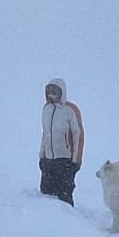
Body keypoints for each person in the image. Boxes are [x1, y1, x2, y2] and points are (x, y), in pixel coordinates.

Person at [38, 77, 84, 205]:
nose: (51, 95)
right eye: (49, 92)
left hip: (65, 161)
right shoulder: (46, 109)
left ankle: (69, 222)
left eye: (55, 92)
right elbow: (45, 133)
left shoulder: (70, 110)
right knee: (46, 194)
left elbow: (78, 135)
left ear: (62, 93)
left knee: (64, 196)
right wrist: (42, 155)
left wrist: (76, 161)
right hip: (48, 159)